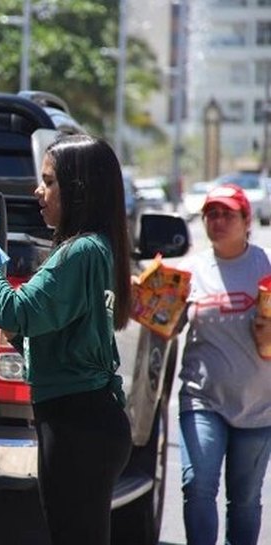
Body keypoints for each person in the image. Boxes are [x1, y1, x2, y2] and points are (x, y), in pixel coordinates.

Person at [0, 134, 132, 545]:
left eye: (49, 181)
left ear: (78, 189)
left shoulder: (81, 252)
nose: (38, 191)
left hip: (78, 425)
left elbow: (17, 311)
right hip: (85, 422)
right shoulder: (98, 249)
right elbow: (44, 332)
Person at [175, 183, 271, 545]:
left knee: (244, 501)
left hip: (260, 406)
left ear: (247, 220)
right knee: (197, 485)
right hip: (203, 400)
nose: (217, 220)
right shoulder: (189, 272)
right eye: (211, 213)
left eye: (227, 213)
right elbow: (167, 327)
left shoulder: (266, 264)